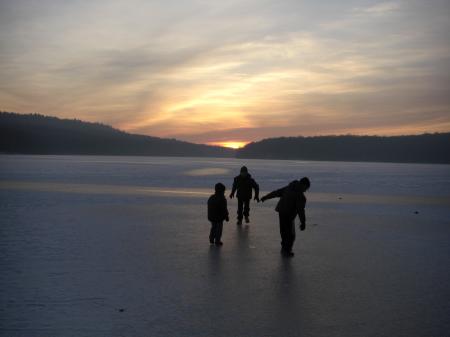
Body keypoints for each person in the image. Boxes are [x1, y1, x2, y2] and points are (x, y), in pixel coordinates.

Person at [261, 177, 310, 257]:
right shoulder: (300, 196)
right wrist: (303, 222)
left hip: (281, 212)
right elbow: (301, 210)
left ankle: (284, 247)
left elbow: (277, 192)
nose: (306, 190)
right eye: (306, 188)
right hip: (289, 215)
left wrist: (266, 197)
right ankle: (286, 250)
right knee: (290, 234)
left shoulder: (289, 187)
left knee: (284, 231)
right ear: (303, 185)